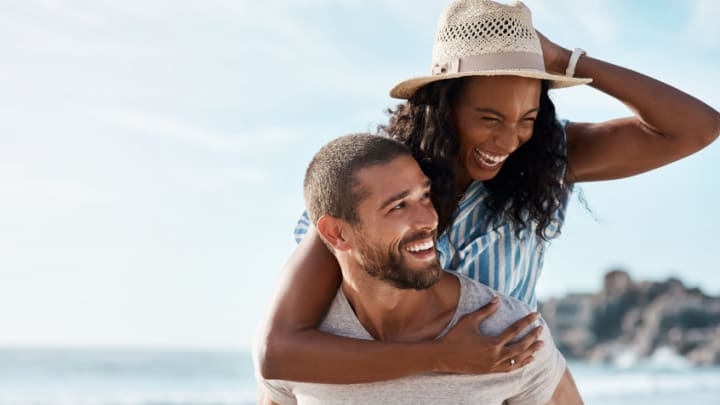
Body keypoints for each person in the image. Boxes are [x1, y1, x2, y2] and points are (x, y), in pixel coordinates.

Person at [256, 0, 720, 383]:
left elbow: (696, 129)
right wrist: (442, 355)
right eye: (489, 118)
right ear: (444, 104)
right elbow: (279, 351)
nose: (507, 142)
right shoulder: (377, 185)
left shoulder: (543, 161)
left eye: (527, 118)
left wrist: (567, 63)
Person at [255, 133, 583, 404]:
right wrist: (439, 356)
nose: (428, 220)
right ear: (337, 233)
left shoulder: (506, 337)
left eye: (424, 196)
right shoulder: (304, 350)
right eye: (398, 206)